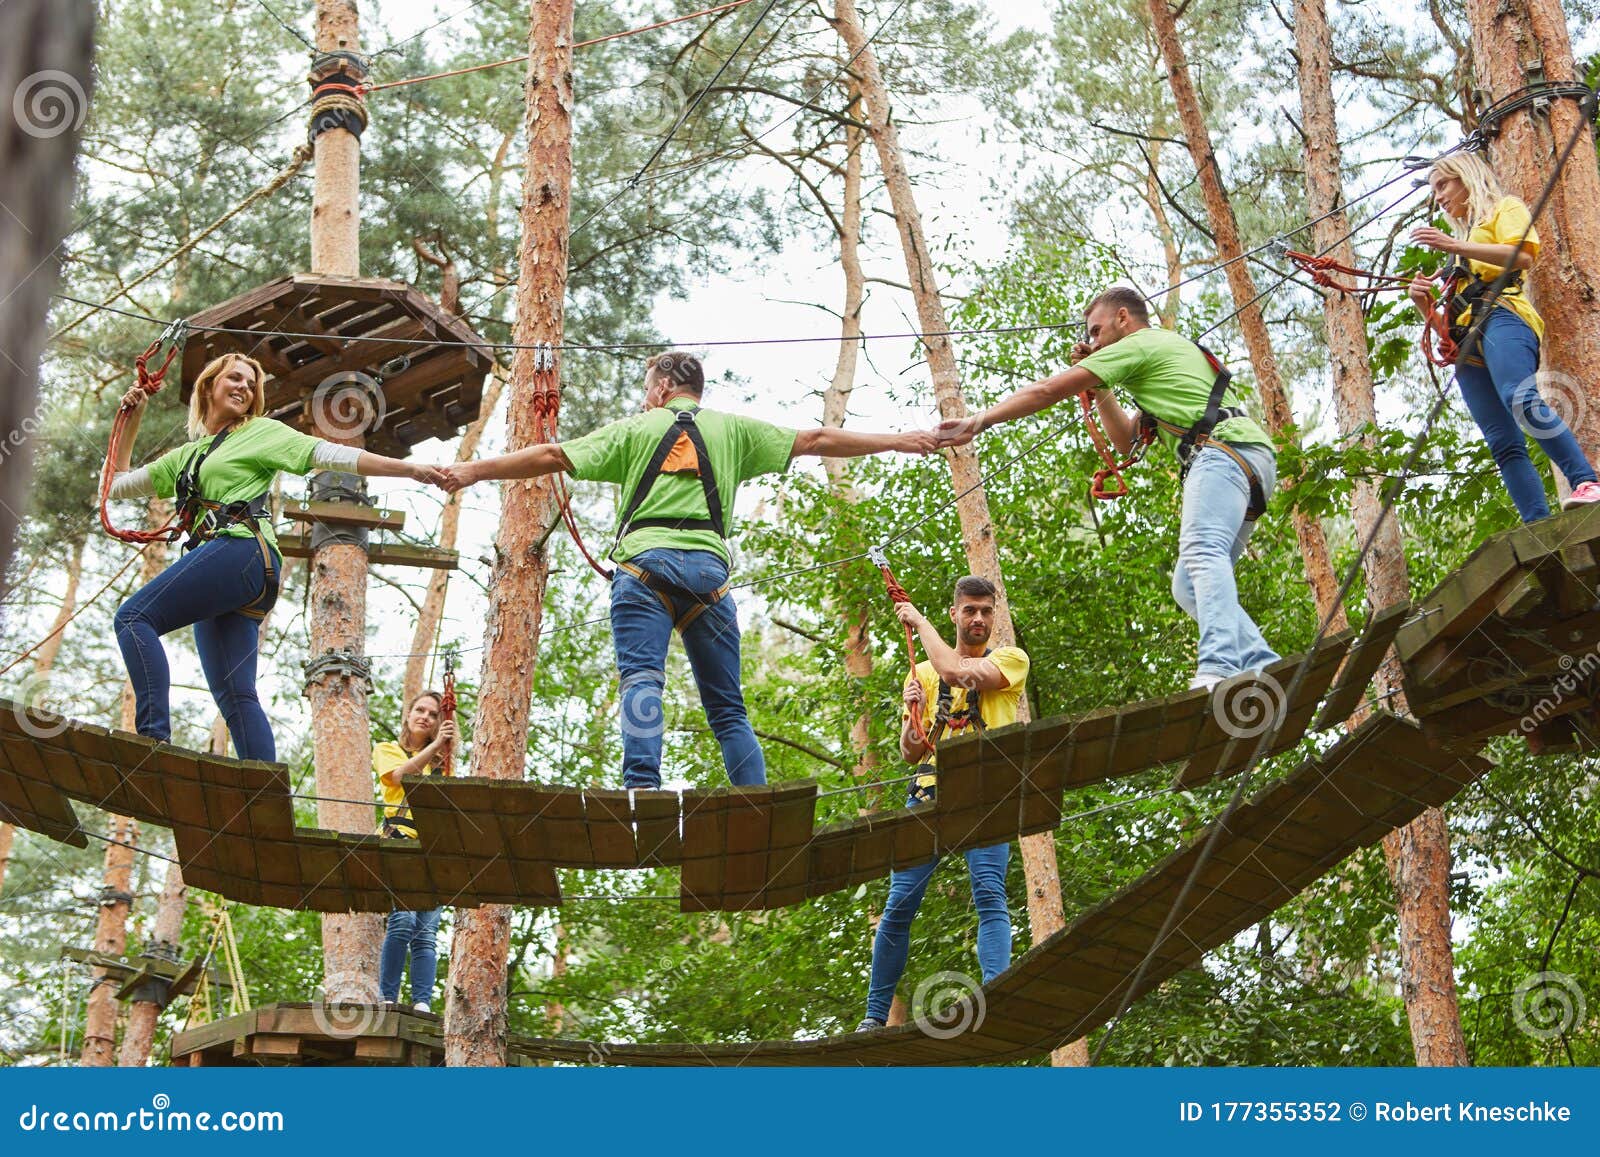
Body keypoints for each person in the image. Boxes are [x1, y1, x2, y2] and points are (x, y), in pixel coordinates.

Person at [437, 350, 937, 789]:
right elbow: (817, 438)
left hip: (644, 569)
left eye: (646, 389)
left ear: (660, 387)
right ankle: (755, 804)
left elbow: (550, 454)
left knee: (642, 681)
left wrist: (471, 471)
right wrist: (898, 440)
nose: (644, 399)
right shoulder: (734, 430)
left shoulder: (637, 427)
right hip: (709, 578)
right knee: (727, 709)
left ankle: (642, 793)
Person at [107, 352, 444, 761]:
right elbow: (117, 485)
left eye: (251, 385)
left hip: (241, 551)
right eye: (234, 378)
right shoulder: (185, 458)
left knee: (133, 618)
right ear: (209, 385)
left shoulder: (260, 432)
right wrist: (134, 417)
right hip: (236, 570)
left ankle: (153, 740)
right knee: (236, 694)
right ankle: (264, 796)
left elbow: (329, 454)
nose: (244, 388)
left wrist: (407, 470)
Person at [937, 286, 1277, 689]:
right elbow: (1125, 440)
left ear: (1122, 318)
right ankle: (1260, 660)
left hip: (1223, 454)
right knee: (1188, 585)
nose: (1093, 342)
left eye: (1097, 332)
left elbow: (1048, 390)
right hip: (1247, 459)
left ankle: (1219, 665)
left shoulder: (1141, 342)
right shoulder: (1158, 356)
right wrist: (1102, 389)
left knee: (1203, 551)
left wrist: (978, 421)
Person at [856, 575, 1027, 1032]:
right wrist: (913, 712)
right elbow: (911, 751)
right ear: (956, 614)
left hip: (986, 794)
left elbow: (960, 674)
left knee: (989, 892)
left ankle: (996, 994)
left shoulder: (1012, 660)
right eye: (969, 610)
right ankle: (875, 1016)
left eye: (986, 611)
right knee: (899, 904)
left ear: (994, 617)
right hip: (930, 791)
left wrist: (917, 619)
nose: (978, 619)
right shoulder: (924, 673)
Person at [1408, 151, 1600, 523]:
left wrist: (1455, 246)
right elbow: (1446, 333)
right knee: (1502, 442)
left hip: (1504, 317)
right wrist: (1425, 307)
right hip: (1466, 344)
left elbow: (1522, 256)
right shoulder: (1458, 250)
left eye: (1443, 185)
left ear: (1466, 177)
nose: (1440, 197)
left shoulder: (1503, 209)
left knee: (1519, 397)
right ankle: (1537, 524)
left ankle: (1585, 480)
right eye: (1434, 190)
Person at [373, 690, 455, 1011]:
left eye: (433, 714)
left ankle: (422, 1002)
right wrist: (435, 746)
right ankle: (388, 997)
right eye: (419, 710)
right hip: (399, 842)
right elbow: (398, 776)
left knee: (426, 932)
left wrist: (442, 747)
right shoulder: (387, 749)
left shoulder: (442, 767)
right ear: (407, 715)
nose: (425, 716)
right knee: (403, 920)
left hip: (432, 851)